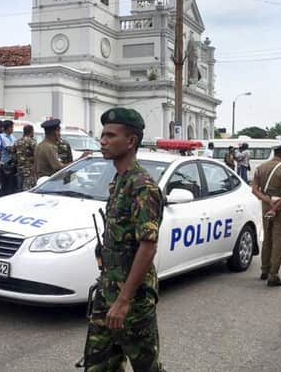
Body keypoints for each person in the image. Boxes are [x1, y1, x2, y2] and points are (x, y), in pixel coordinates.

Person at [83, 107, 165, 371]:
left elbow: (148, 247)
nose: (102, 140)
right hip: (107, 292)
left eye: (110, 135)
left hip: (133, 302)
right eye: (102, 134)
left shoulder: (142, 186)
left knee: (146, 367)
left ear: (130, 141)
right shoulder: (119, 180)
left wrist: (123, 300)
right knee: (98, 365)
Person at [251, 142, 281, 287]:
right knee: (279, 239)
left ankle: (264, 269)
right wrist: (275, 206)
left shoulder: (260, 168)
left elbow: (255, 190)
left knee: (267, 237)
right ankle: (273, 275)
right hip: (280, 207)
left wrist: (267, 201)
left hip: (266, 206)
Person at [14, 124, 37, 191]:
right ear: (31, 131)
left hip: (19, 168)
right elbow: (36, 154)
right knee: (28, 188)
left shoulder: (18, 141)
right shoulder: (32, 141)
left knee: (20, 188)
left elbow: (13, 150)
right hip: (29, 169)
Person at [0, 119, 17, 196]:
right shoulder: (2, 137)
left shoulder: (12, 137)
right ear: (7, 128)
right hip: (5, 164)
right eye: (11, 127)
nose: (12, 129)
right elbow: (9, 149)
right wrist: (15, 148)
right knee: (5, 185)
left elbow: (16, 146)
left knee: (12, 185)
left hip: (12, 163)